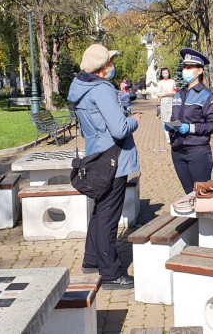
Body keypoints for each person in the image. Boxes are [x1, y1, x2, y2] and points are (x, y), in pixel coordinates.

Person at [67, 44, 141, 290]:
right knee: (108, 217)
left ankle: (91, 260)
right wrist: (133, 121)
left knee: (100, 211)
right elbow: (119, 129)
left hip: (96, 157)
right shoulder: (102, 89)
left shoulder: (80, 88)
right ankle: (110, 273)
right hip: (113, 160)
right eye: (109, 62)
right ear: (102, 67)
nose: (112, 67)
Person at [165, 48, 213, 194]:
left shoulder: (207, 97)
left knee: (201, 194)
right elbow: (175, 118)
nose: (186, 70)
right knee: (188, 194)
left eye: (189, 67)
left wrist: (190, 128)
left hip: (197, 152)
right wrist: (170, 126)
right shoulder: (179, 94)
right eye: (184, 67)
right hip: (178, 151)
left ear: (200, 70)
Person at [157, 68, 176, 143]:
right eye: (164, 73)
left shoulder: (172, 81)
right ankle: (167, 134)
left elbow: (175, 89)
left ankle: (172, 132)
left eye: (166, 73)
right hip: (164, 100)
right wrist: (165, 94)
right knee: (164, 118)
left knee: (171, 116)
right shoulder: (160, 82)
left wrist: (173, 93)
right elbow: (158, 93)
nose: (165, 74)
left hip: (172, 100)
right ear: (162, 74)